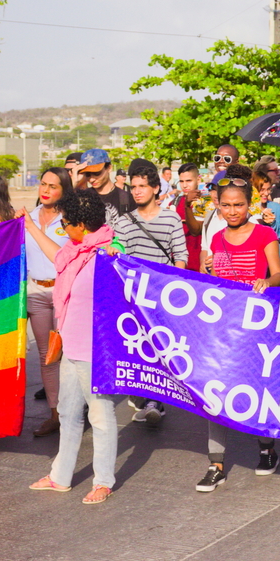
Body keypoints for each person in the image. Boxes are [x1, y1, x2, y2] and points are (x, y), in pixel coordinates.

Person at [27, 189, 118, 505]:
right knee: (67, 412)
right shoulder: (75, 251)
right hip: (68, 345)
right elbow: (56, 254)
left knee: (101, 416)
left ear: (81, 225)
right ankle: (60, 476)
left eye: (65, 223)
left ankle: (103, 481)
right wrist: (29, 225)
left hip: (96, 351)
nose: (63, 228)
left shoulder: (109, 255)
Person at [196, 175, 280, 492]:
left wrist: (267, 282)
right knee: (214, 390)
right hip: (223, 329)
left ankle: (266, 448)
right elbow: (212, 284)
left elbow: (279, 275)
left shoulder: (263, 234)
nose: (233, 211)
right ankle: (216, 463)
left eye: (239, 205)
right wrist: (206, 269)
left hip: (258, 327)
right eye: (227, 206)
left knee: (258, 390)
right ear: (217, 206)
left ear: (251, 205)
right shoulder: (217, 238)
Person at [112, 160, 188, 429]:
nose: (137, 191)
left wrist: (174, 289)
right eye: (133, 187)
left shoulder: (170, 218)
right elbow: (118, 247)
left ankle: (156, 401)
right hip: (132, 296)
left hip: (161, 294)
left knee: (159, 349)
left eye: (143, 186)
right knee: (139, 349)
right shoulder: (124, 220)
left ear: (156, 188)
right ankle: (146, 398)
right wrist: (113, 249)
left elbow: (181, 256)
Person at [22, 167, 72, 437]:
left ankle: (72, 410)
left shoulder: (70, 220)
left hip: (64, 294)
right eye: (43, 184)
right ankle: (55, 414)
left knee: (68, 355)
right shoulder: (25, 219)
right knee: (47, 356)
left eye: (53, 186)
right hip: (35, 294)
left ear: (64, 191)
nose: (46, 190)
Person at [73, 148, 134, 217]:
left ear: (109, 168)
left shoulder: (127, 199)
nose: (92, 179)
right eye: (87, 174)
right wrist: (74, 182)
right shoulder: (82, 198)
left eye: (96, 173)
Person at [173, 162, 204, 272]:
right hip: (178, 264)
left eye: (188, 181)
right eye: (181, 181)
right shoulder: (175, 202)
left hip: (200, 265)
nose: (185, 185)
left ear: (198, 180)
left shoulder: (207, 203)